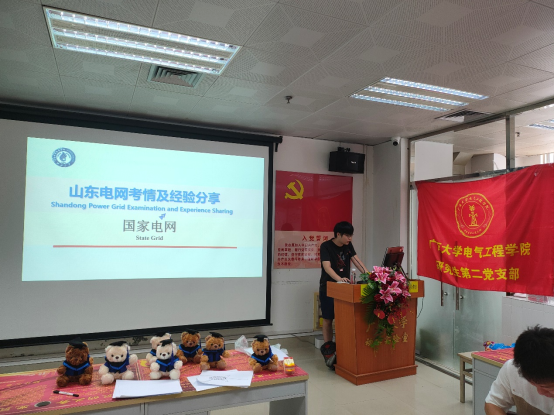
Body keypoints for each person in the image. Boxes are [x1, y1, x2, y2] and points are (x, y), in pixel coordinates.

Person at [319, 221, 368, 368]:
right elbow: (327, 267)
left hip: (345, 289)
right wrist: (339, 279)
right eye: (347, 235)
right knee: (328, 319)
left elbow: (357, 261)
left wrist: (369, 275)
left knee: (343, 319)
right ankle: (328, 348)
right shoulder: (326, 246)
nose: (350, 238)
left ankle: (343, 349)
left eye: (351, 235)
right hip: (329, 287)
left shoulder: (348, 246)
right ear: (338, 234)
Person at [485, 326, 554, 415]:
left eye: (547, 387)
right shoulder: (513, 368)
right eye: (533, 384)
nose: (540, 392)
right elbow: (494, 403)